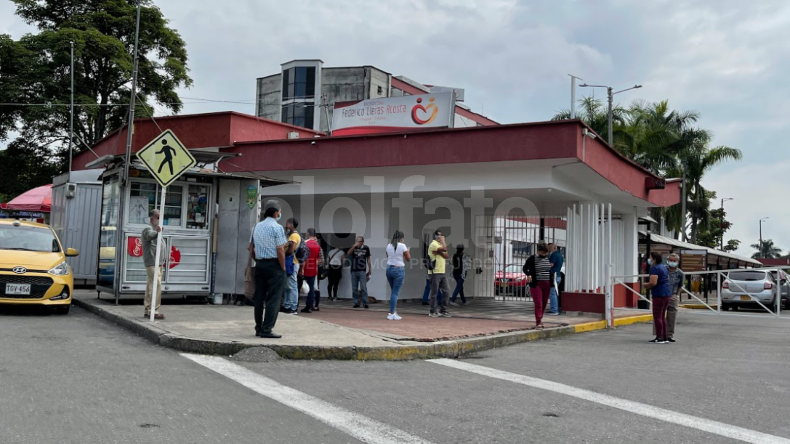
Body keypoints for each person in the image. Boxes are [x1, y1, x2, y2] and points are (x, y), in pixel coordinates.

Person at [248, 200, 288, 338]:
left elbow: (250, 248)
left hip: (260, 265)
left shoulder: (256, 227)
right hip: (274, 266)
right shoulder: (277, 228)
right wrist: (282, 267)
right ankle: (267, 329)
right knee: (273, 298)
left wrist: (258, 260)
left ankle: (258, 328)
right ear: (277, 213)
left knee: (259, 297)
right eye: (280, 211)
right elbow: (281, 250)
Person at [142, 209, 168, 320]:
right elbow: (150, 235)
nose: (159, 220)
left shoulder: (156, 230)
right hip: (152, 262)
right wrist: (157, 232)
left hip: (158, 263)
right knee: (156, 285)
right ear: (152, 219)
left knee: (150, 285)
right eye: (158, 217)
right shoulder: (148, 229)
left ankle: (148, 309)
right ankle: (154, 310)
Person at [644, 251, 672, 344]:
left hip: (659, 294)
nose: (649, 259)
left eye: (650, 257)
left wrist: (646, 285)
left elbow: (653, 282)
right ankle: (665, 336)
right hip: (667, 293)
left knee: (657, 316)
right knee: (662, 315)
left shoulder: (654, 268)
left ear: (654, 259)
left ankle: (659, 337)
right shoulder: (663, 267)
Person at [523, 243, 552, 329]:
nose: (543, 254)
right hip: (536, 284)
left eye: (545, 252)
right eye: (542, 252)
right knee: (538, 303)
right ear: (538, 251)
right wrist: (528, 274)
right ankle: (538, 321)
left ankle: (540, 318)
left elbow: (552, 269)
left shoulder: (548, 258)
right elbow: (525, 268)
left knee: (544, 303)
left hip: (547, 283)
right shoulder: (533, 258)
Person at [385, 230, 410, 320]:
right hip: (398, 269)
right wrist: (408, 251)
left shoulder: (389, 245)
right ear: (401, 238)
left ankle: (393, 312)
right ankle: (391, 313)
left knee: (393, 292)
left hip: (389, 269)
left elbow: (389, 257)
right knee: (395, 292)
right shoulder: (402, 246)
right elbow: (408, 259)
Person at [427, 230, 451, 317]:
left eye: (442, 236)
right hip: (435, 272)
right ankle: (432, 311)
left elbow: (447, 255)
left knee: (446, 291)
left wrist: (439, 252)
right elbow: (445, 249)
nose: (441, 237)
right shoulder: (433, 244)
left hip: (442, 272)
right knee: (434, 292)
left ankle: (443, 310)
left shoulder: (440, 245)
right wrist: (443, 241)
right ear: (436, 236)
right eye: (440, 236)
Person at [300, 228, 323, 313]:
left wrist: (301, 268)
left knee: (298, 286)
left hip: (305, 268)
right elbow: (319, 259)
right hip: (313, 269)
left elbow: (302, 257)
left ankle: (295, 305)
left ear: (307, 233)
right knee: (311, 289)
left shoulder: (305, 243)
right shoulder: (317, 245)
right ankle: (309, 306)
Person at [282, 218, 301, 315]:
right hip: (291, 263)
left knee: (292, 285)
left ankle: (293, 307)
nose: (286, 226)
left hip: (292, 263)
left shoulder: (294, 236)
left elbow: (291, 250)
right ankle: (287, 305)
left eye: (287, 224)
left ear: (291, 224)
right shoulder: (291, 235)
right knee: (287, 285)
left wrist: (282, 253)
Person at [347, 236, 371, 308]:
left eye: (360, 241)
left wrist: (370, 269)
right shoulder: (354, 247)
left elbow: (368, 259)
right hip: (354, 270)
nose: (359, 243)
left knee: (363, 287)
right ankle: (356, 302)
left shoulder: (366, 248)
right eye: (357, 241)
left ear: (363, 242)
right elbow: (348, 253)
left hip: (362, 270)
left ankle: (365, 302)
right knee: (354, 288)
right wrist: (354, 246)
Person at [665, 253, 684, 343]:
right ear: (668, 261)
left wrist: (677, 295)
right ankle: (659, 334)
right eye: (671, 260)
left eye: (674, 261)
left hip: (673, 294)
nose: (672, 262)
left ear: (677, 262)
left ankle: (670, 335)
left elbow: (680, 285)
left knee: (672, 316)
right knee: (659, 315)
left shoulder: (680, 273)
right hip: (663, 294)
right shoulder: (663, 269)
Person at [547, 243, 564, 315]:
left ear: (553, 248)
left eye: (549, 248)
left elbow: (551, 264)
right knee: (555, 293)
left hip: (554, 275)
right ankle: (556, 308)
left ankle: (554, 310)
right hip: (558, 275)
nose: (548, 250)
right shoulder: (560, 255)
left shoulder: (554, 255)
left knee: (552, 293)